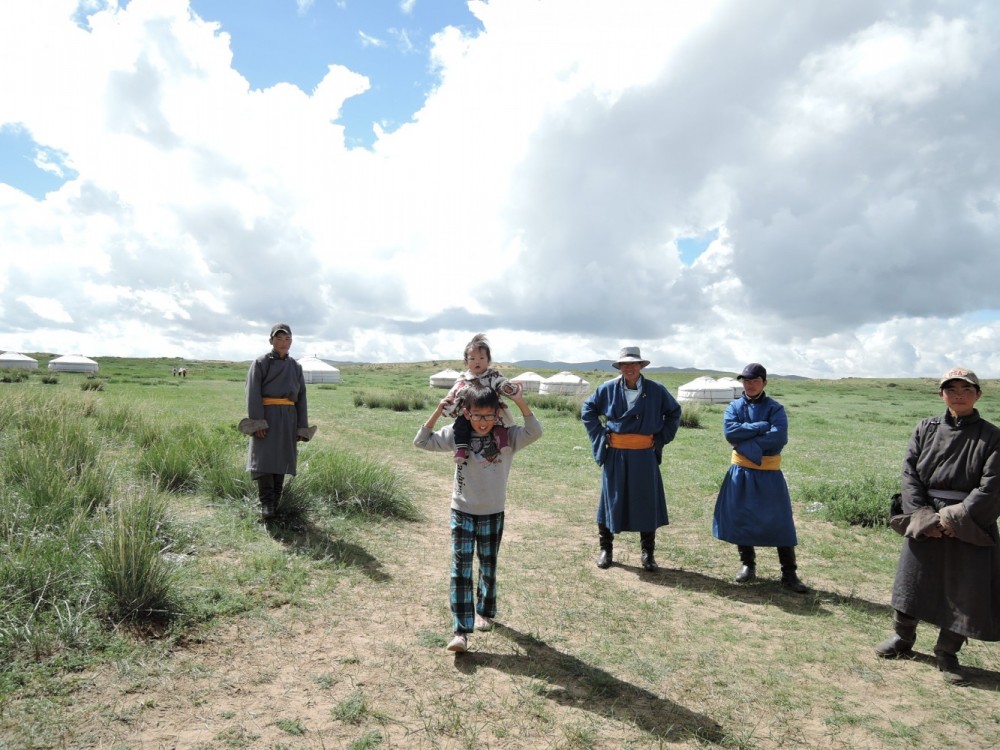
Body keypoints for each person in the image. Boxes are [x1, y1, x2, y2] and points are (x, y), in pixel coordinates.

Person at [875, 367, 1000, 685]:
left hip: (970, 522)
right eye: (952, 389)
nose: (959, 395)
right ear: (941, 394)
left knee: (965, 589)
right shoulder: (924, 429)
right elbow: (909, 474)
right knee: (913, 581)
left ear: (978, 395)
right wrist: (923, 518)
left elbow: (992, 486)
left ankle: (947, 652)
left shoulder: (992, 436)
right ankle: (903, 639)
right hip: (924, 517)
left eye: (966, 389)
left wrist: (951, 520)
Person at [414, 381, 542, 653]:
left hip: (493, 512)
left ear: (497, 414)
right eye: (476, 416)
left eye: (488, 416)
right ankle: (460, 631)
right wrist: (438, 410)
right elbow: (421, 441)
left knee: (487, 565)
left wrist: (519, 401)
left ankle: (484, 610)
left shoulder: (508, 437)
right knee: (460, 570)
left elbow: (535, 430)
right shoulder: (456, 434)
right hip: (461, 510)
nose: (482, 422)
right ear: (467, 414)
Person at [581, 346, 681, 572]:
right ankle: (606, 549)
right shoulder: (607, 389)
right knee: (610, 499)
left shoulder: (656, 390)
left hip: (644, 454)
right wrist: (601, 436)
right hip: (616, 454)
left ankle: (648, 554)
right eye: (624, 364)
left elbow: (674, 412)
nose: (629, 368)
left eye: (633, 364)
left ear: (641, 366)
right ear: (620, 367)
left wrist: (661, 437)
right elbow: (588, 409)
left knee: (646, 500)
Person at [711, 363, 809, 593]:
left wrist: (747, 442)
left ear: (764, 382)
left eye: (755, 381)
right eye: (746, 381)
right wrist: (761, 426)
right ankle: (747, 564)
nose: (750, 385)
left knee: (779, 520)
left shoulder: (776, 408)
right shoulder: (733, 407)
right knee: (742, 516)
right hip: (741, 472)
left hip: (769, 473)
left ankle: (789, 573)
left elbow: (779, 437)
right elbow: (730, 433)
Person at [239, 323, 315, 519]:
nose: (283, 343)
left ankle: (276, 502)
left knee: (281, 459)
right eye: (279, 338)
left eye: (287, 339)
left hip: (288, 418)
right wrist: (258, 423)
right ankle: (266, 504)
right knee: (264, 459)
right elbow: (252, 394)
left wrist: (301, 427)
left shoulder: (295, 367)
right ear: (271, 340)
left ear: (291, 341)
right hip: (266, 416)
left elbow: (302, 397)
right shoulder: (261, 363)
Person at [442, 333, 520, 464]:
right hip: (470, 411)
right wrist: (449, 402)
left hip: (491, 408)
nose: (477, 361)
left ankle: (502, 440)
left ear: (488, 360)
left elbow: (501, 383)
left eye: (481, 358)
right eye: (472, 358)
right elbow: (455, 391)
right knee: (460, 426)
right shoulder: (464, 378)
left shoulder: (493, 375)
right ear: (466, 362)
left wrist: (508, 388)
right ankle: (461, 448)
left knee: (499, 421)